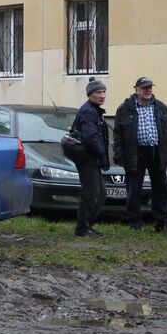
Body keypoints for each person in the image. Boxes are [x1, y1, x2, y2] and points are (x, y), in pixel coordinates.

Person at [113, 76, 167, 232]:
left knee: (161, 188)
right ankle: (135, 222)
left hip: (157, 152)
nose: (148, 90)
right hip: (135, 153)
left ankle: (161, 221)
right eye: (144, 88)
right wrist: (119, 154)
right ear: (136, 89)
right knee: (134, 189)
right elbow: (118, 135)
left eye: (150, 87)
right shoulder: (125, 108)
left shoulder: (161, 107)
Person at [72, 80, 110, 237]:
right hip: (88, 159)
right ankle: (82, 229)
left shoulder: (95, 111)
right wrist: (102, 154)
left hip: (92, 159)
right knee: (90, 194)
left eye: (103, 92)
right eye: (98, 93)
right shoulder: (88, 112)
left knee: (100, 193)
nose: (102, 96)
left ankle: (87, 226)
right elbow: (91, 137)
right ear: (90, 95)